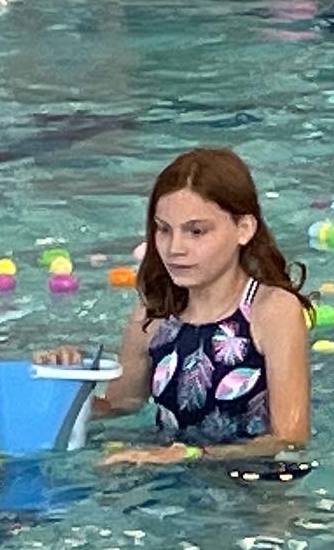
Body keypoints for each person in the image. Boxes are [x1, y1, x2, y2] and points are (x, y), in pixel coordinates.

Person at [35, 148, 312, 464]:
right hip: (169, 482)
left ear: (244, 229)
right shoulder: (153, 315)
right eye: (163, 229)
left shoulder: (272, 310)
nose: (174, 248)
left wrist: (187, 456)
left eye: (196, 231)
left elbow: (290, 439)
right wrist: (61, 385)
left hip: (253, 486)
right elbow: (120, 403)